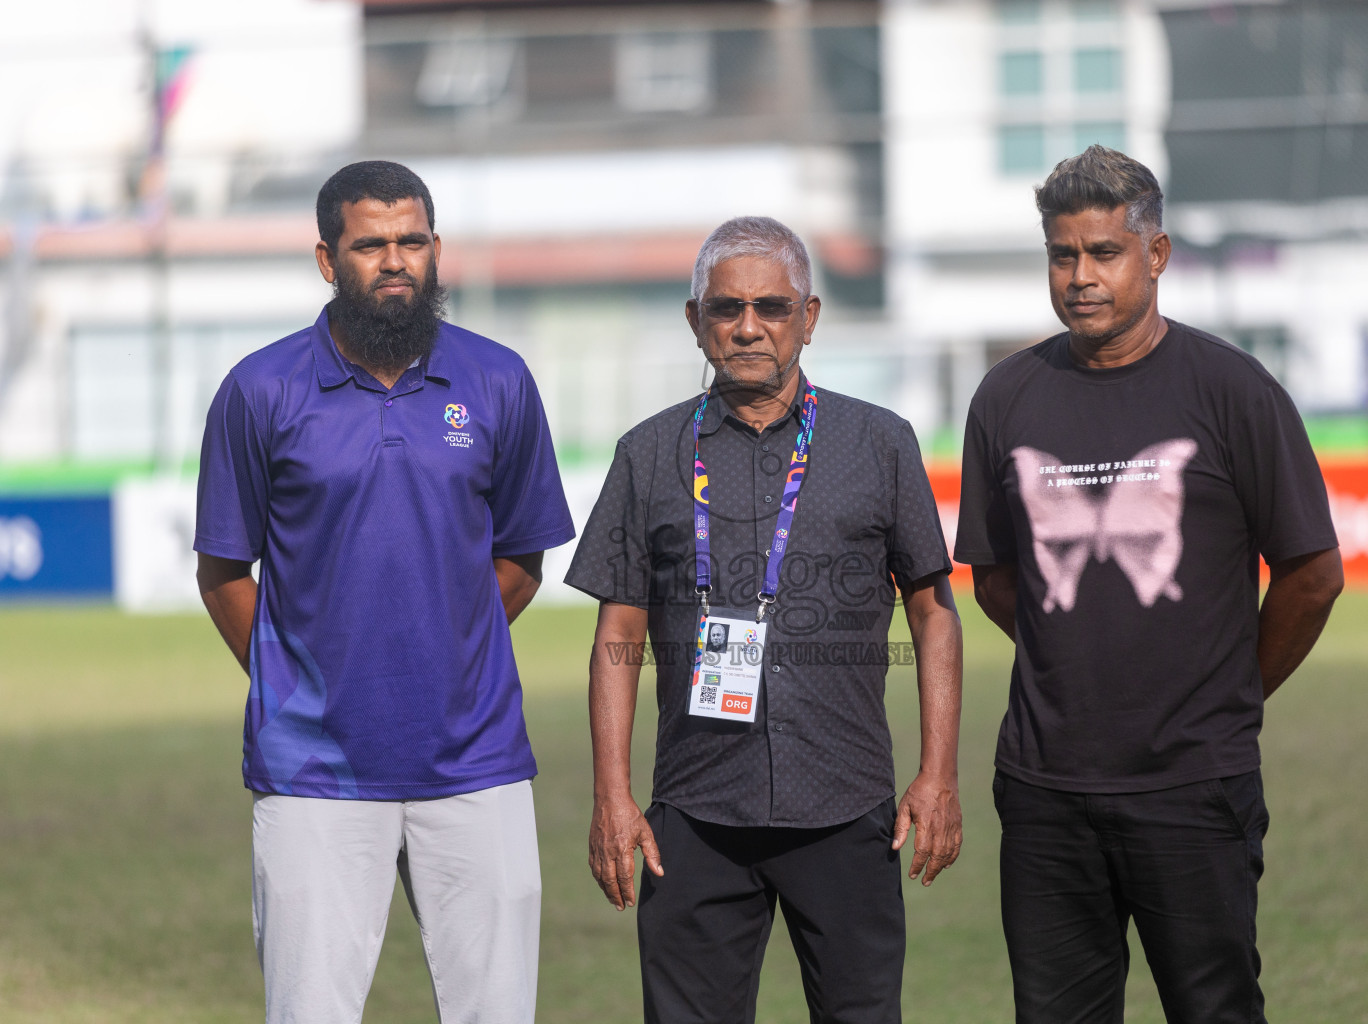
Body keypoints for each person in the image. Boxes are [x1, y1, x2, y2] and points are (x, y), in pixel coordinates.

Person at [955, 146, 1344, 1024]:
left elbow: (1313, 576)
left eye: (1103, 253)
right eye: (1063, 255)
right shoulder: (1006, 396)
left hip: (1193, 785)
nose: (1080, 277)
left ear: (1155, 256)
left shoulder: (1233, 390)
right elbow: (994, 579)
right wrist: (1078, 655)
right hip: (1045, 791)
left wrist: (1231, 688)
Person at [194, 160, 575, 1024]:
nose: (395, 260)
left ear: (437, 250)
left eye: (412, 241)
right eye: (371, 245)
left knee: (498, 1012)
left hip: (475, 760)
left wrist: (445, 645)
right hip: (313, 771)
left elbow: (521, 556)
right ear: (329, 261)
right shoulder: (260, 389)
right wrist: (301, 680)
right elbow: (223, 572)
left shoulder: (499, 379)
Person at [565, 216, 964, 1024]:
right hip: (696, 812)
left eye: (774, 307)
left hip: (847, 807)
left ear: (809, 318)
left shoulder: (880, 442)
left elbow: (934, 615)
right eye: (727, 308)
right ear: (695, 321)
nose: (749, 326)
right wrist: (613, 795)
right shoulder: (647, 453)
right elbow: (618, 635)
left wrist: (938, 775)